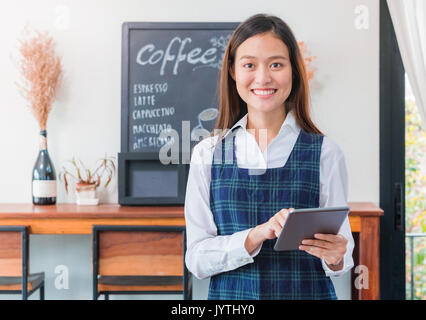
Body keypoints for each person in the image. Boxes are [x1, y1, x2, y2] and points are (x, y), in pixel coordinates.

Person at [184, 13, 354, 300]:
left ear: (293, 71)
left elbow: (342, 255)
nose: (263, 78)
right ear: (233, 72)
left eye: (276, 64)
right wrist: (255, 236)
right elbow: (197, 259)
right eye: (249, 65)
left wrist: (337, 255)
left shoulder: (326, 152)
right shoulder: (208, 154)